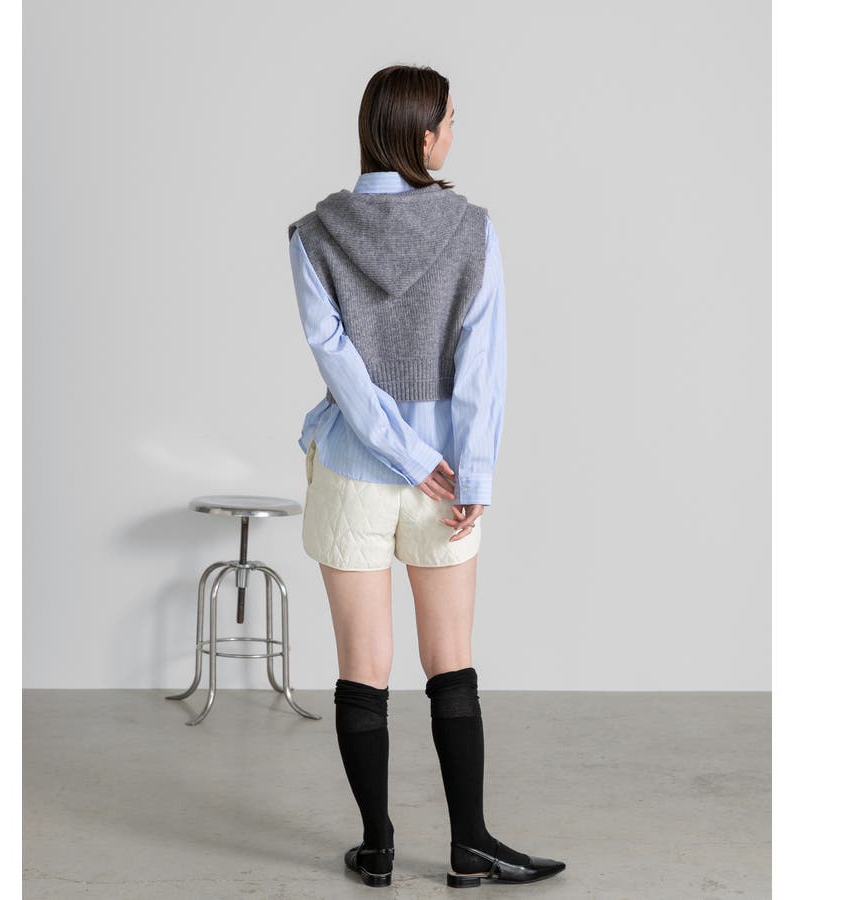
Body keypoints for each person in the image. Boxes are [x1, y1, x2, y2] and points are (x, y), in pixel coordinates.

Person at [287, 64, 566, 889]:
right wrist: (468, 469)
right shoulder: (472, 228)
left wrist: (399, 453)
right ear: (422, 135)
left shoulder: (313, 234)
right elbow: (483, 362)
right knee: (451, 660)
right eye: (450, 120)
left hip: (351, 470)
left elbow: (339, 367)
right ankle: (470, 844)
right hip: (447, 477)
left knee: (361, 667)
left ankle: (377, 847)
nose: (454, 132)